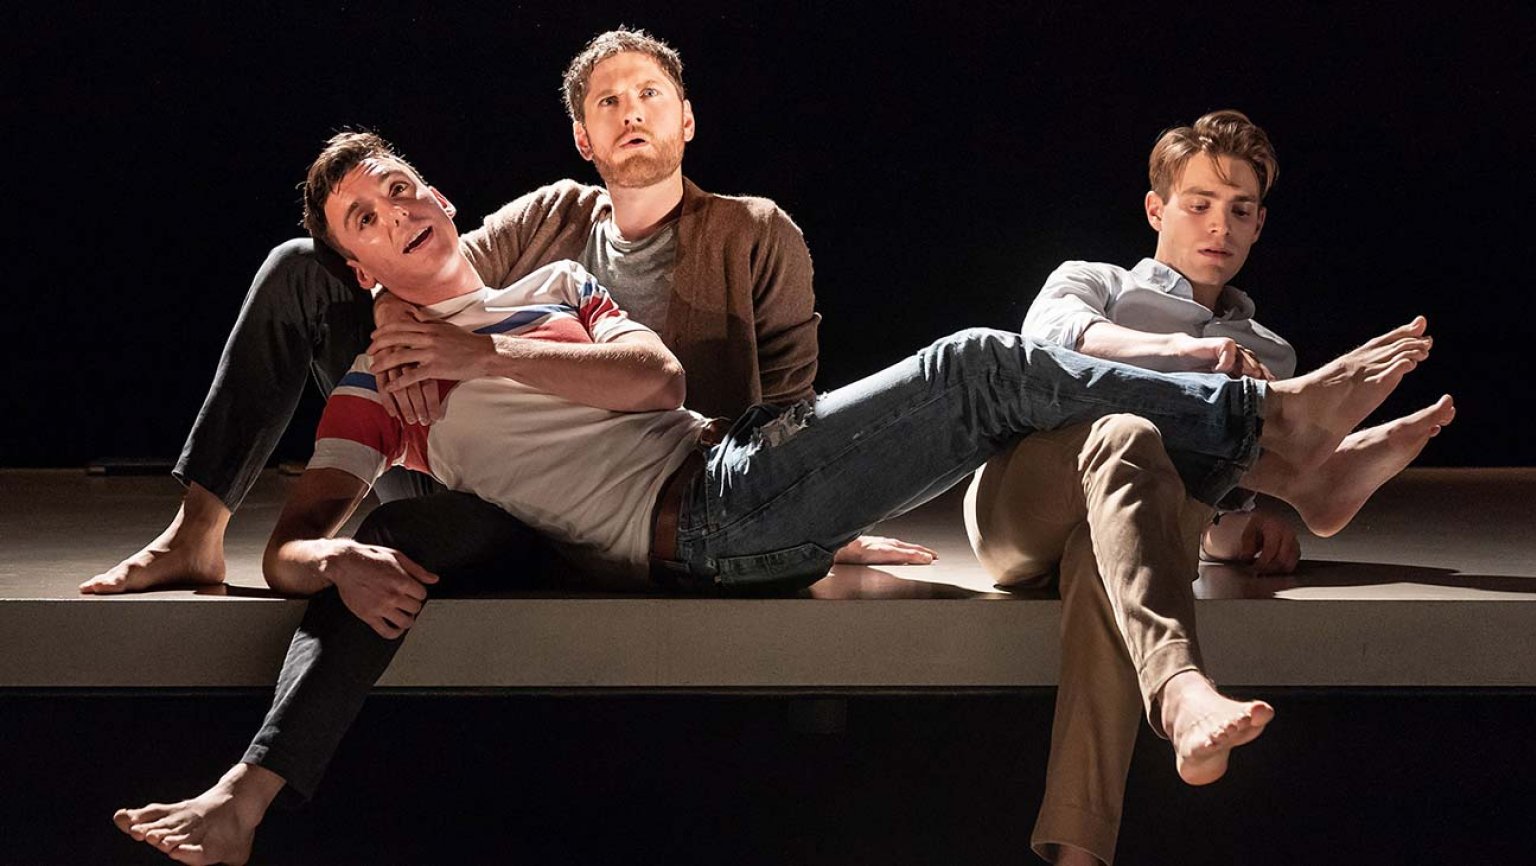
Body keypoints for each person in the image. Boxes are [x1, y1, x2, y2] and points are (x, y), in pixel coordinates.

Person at [112, 130, 1447, 865]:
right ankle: (1279, 429)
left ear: (442, 196)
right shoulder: (375, 385)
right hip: (704, 527)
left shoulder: (548, 295)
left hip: (732, 470)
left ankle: (1276, 439)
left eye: (401, 182)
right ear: (354, 267)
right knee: (984, 363)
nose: (394, 204)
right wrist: (332, 559)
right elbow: (300, 546)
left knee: (998, 378)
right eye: (361, 212)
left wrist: (484, 349)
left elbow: (644, 379)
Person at [80, 28, 930, 598]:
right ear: (583, 139)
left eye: (651, 94)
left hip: (665, 488)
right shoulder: (551, 217)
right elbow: (435, 276)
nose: (632, 110)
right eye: (607, 101)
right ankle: (198, 530)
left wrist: (815, 512)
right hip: (480, 455)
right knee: (302, 265)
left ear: (688, 118)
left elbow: (788, 404)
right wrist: (410, 362)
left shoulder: (754, 230)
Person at [963, 110, 1456, 866]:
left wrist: (1240, 533)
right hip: (1021, 502)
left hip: (1125, 518)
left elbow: (1209, 501)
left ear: (1259, 226)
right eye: (1198, 204)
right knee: (1131, 431)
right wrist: (1190, 358)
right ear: (1158, 209)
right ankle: (1313, 477)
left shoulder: (1267, 352)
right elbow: (1049, 348)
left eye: (1240, 210)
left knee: (1109, 561)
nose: (1218, 225)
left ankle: (1088, 839)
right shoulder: (1095, 281)